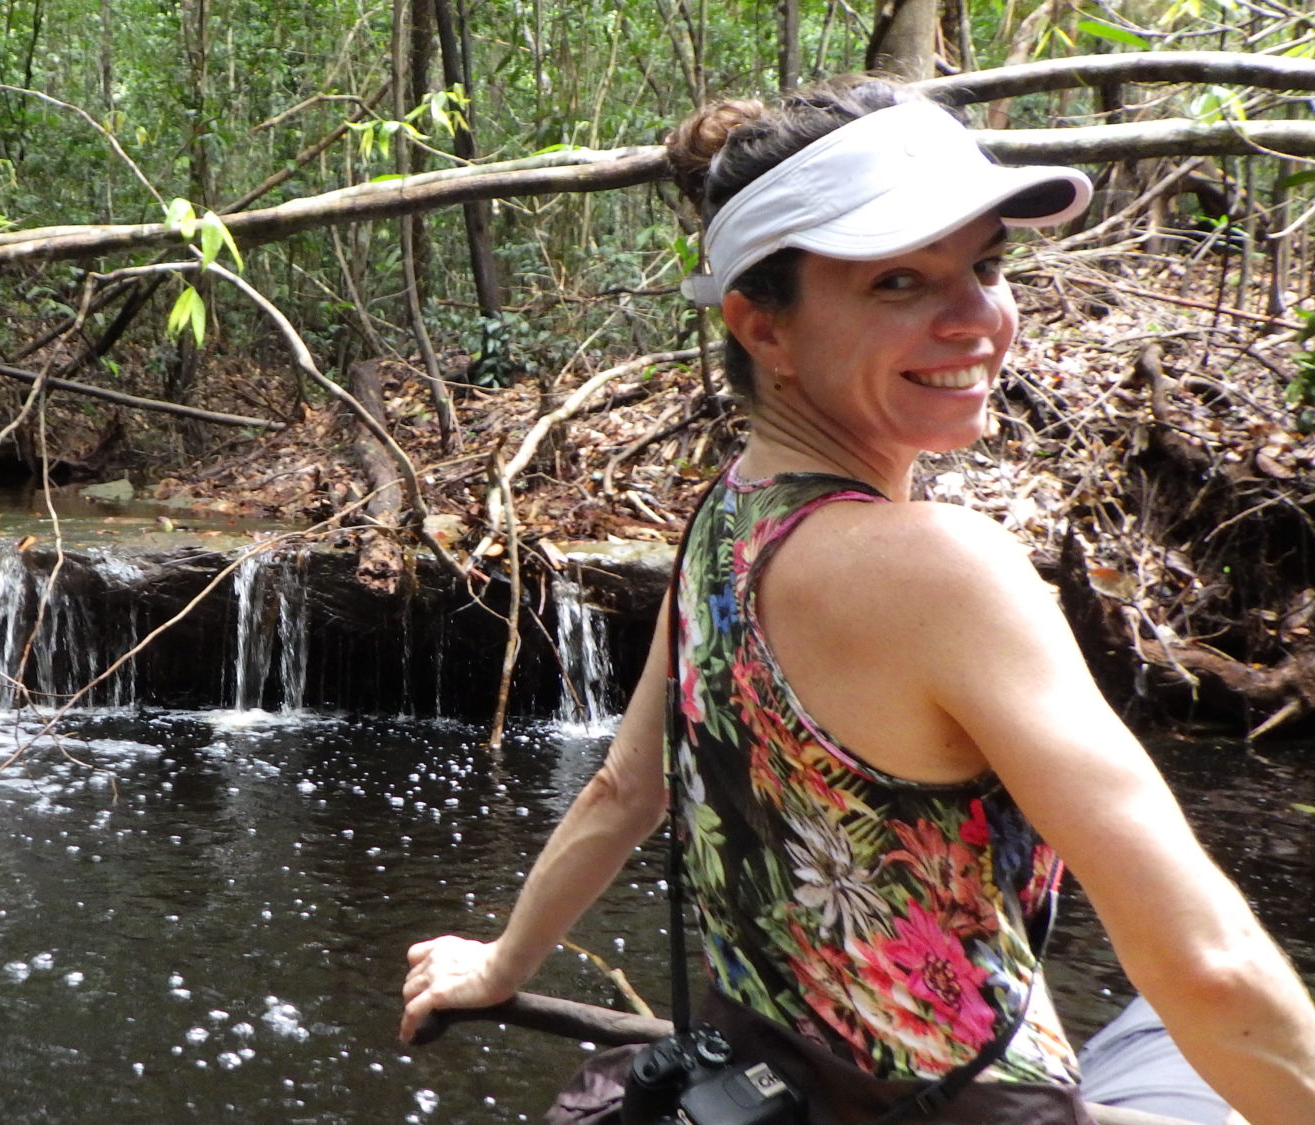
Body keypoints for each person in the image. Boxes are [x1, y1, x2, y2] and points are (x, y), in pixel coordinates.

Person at [397, 76, 1315, 1125]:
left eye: (983, 265)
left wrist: (498, 966)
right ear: (762, 329)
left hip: (773, 1086)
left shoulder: (722, 525)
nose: (975, 318)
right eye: (895, 281)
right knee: (1179, 1026)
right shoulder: (941, 569)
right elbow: (1208, 970)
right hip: (968, 1108)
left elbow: (621, 790)